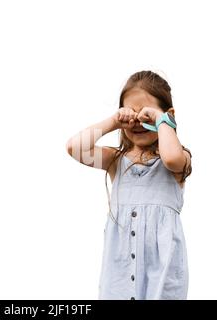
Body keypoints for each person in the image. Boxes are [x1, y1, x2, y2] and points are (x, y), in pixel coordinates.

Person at [65, 70, 192, 300]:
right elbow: (75, 148)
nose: (137, 121)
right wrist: (113, 121)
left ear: (168, 115)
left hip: (161, 277)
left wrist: (161, 119)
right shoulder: (116, 161)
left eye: (146, 115)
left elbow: (171, 158)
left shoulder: (177, 160)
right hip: (119, 278)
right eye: (131, 114)